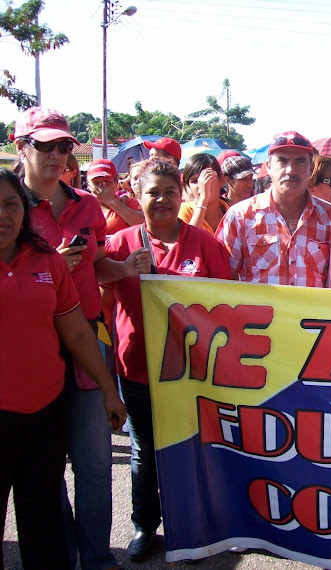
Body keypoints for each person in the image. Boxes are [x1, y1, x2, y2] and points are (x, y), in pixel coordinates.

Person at [13, 106, 144, 570]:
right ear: (20, 146)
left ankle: (96, 560)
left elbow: (95, 265)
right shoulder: (9, 206)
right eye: (43, 145)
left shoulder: (87, 204)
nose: (54, 155)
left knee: (92, 465)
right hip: (31, 350)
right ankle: (60, 555)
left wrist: (123, 269)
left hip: (87, 341)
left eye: (63, 146)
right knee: (42, 473)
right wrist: (48, 270)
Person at [106, 158, 232, 561]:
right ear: (137, 195)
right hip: (138, 366)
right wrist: (123, 269)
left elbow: (228, 302)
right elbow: (92, 287)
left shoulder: (205, 243)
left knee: (194, 446)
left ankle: (195, 525)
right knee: (145, 448)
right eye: (152, 193)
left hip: (193, 371)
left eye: (170, 192)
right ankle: (145, 525)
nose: (161, 200)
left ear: (183, 195)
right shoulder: (120, 242)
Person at [0, 167, 125, 570]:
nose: (4, 215)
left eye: (11, 204)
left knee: (43, 519)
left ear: (24, 210)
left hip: (44, 413)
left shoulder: (46, 262)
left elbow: (77, 334)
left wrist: (108, 389)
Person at [217, 131, 331, 285]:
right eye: (282, 161)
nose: (291, 170)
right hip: (258, 310)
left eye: (300, 161)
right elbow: (221, 278)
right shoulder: (240, 216)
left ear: (311, 169)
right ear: (269, 167)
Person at [87, 158, 144, 235]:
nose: (101, 187)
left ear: (116, 182)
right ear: (89, 184)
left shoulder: (128, 203)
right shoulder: (83, 206)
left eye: (106, 182)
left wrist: (111, 201)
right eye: (96, 183)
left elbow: (143, 225)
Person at [179, 153, 229, 234]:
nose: (202, 184)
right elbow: (188, 242)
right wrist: (203, 200)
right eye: (194, 181)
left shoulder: (233, 214)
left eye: (207, 177)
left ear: (222, 180)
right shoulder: (184, 211)